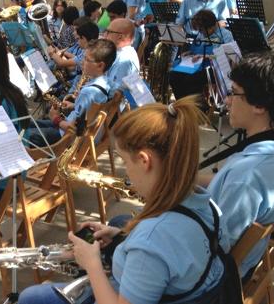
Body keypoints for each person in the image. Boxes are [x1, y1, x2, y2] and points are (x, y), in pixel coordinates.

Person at [19, 97, 230, 304]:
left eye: (124, 160)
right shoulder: (206, 203)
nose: (126, 171)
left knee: (31, 297)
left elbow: (153, 250)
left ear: (144, 160)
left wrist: (92, 264)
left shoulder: (150, 241)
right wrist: (121, 235)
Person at [204, 50, 274, 278]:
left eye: (234, 93)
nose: (227, 100)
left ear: (259, 105)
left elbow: (212, 248)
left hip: (212, 277)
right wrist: (184, 179)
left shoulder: (247, 176)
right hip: (238, 263)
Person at [28, 39, 115, 145]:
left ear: (100, 65)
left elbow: (74, 129)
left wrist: (55, 118)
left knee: (26, 136)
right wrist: (74, 105)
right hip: (78, 132)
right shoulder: (106, 82)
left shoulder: (88, 92)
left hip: (67, 139)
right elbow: (90, 109)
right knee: (28, 124)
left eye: (87, 59)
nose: (82, 62)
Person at [103, 18, 140, 96]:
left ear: (120, 37)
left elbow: (113, 95)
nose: (104, 35)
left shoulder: (124, 60)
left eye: (108, 32)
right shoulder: (119, 52)